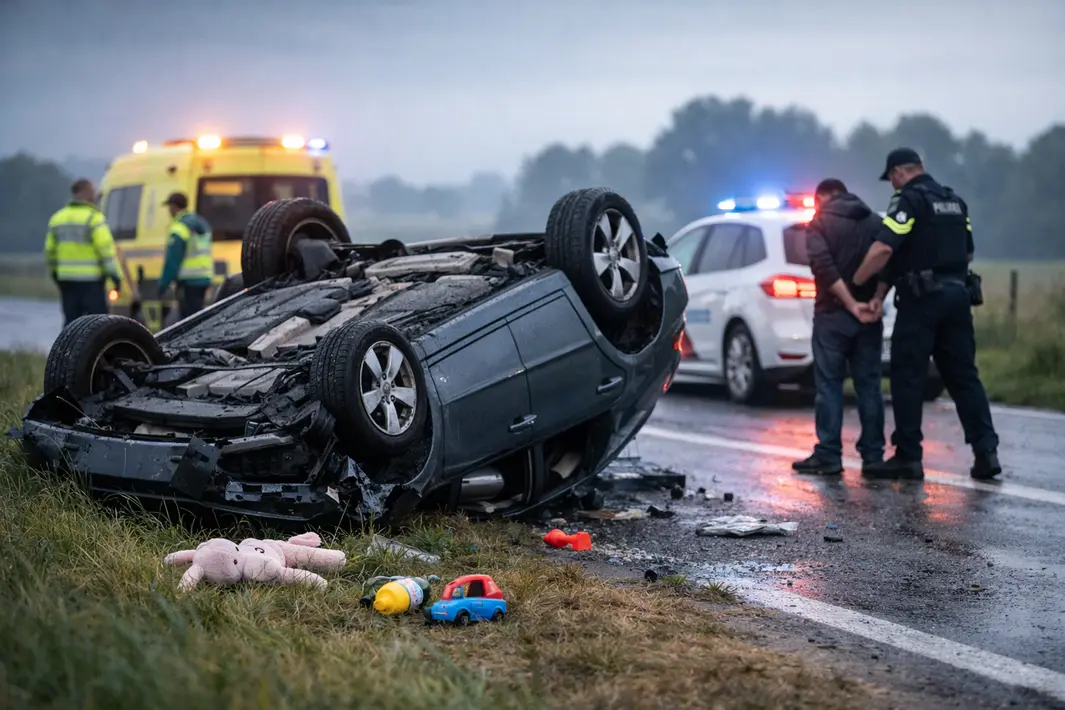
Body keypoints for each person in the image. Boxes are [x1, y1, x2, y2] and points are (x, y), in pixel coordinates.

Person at [852, 148, 1001, 480]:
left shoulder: (909, 200)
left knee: (908, 377)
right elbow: (969, 251)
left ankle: (908, 456)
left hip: (922, 302)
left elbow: (885, 248)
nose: (891, 184)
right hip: (958, 298)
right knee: (964, 376)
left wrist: (857, 281)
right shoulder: (955, 201)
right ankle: (986, 452)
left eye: (891, 178)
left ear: (898, 173)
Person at [791, 179, 885, 476]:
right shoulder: (875, 221)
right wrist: (876, 299)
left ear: (821, 198)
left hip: (832, 316)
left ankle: (829, 454)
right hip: (869, 316)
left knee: (829, 386)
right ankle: (873, 457)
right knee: (869, 386)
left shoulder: (819, 223)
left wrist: (849, 303)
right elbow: (889, 259)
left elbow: (823, 266)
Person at [44, 178, 122, 325]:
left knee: (71, 325)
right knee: (98, 326)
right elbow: (105, 251)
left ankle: (69, 349)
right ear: (85, 192)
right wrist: (115, 276)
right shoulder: (94, 218)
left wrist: (56, 273)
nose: (94, 195)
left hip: (66, 279)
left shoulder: (57, 218)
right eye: (92, 191)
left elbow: (50, 251)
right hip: (91, 281)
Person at [158, 192, 213, 318]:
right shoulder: (202, 223)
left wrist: (163, 285)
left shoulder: (179, 228)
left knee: (188, 321)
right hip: (204, 277)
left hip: (188, 281)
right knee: (198, 317)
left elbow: (172, 261)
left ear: (174, 207)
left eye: (169, 207)